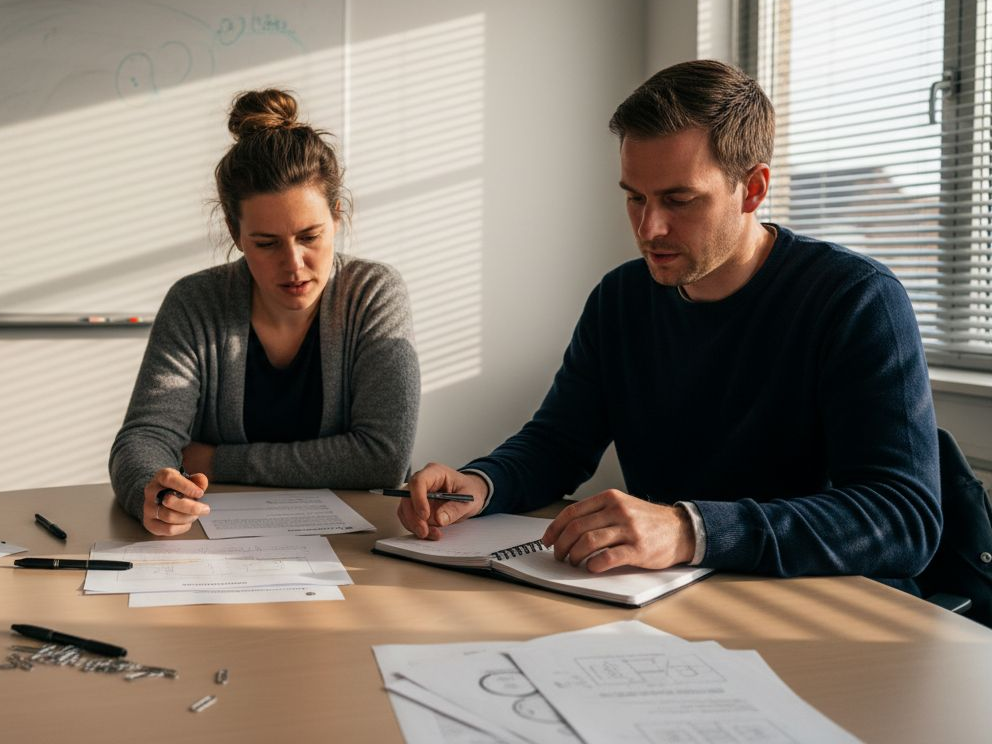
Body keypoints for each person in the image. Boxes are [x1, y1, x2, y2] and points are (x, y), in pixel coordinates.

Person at [397, 60, 940, 586]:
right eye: (635, 198)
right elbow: (558, 443)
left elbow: (902, 519)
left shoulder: (855, 299)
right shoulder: (621, 298)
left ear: (752, 189)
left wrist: (690, 530)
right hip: (663, 598)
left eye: (679, 200)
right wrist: (481, 483)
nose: (649, 227)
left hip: (817, 609)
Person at [110, 89, 420, 536]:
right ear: (236, 233)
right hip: (213, 546)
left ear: (337, 216)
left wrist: (214, 460)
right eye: (266, 243)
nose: (293, 264)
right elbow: (144, 438)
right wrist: (154, 491)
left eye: (310, 236)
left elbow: (382, 457)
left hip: (359, 546)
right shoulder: (196, 303)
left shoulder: (373, 293)